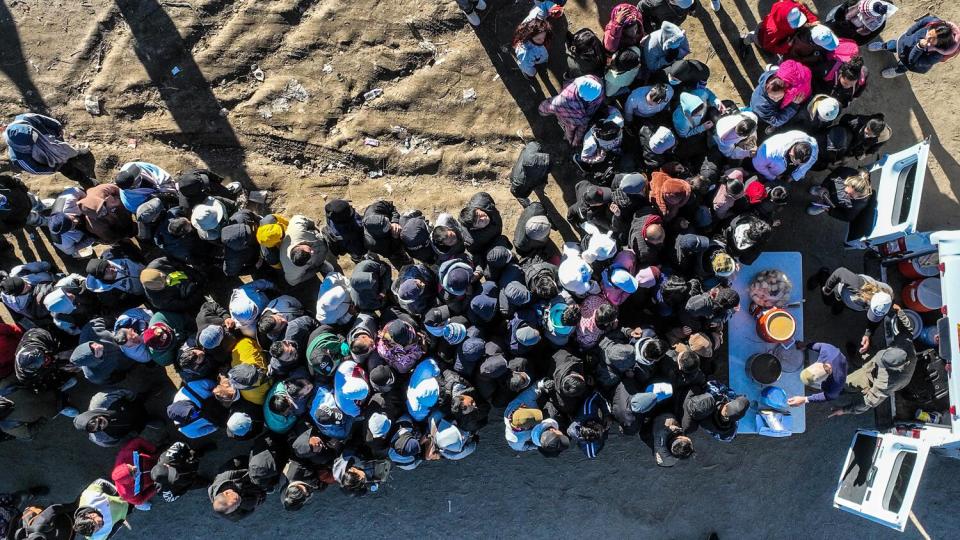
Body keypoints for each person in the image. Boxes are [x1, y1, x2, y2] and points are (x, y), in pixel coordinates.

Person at [830, 314, 916, 416]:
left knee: (849, 382)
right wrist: (898, 310)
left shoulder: (885, 383)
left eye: (881, 363)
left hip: (875, 378)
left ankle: (841, 390)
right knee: (868, 357)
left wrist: (844, 410)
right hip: (886, 364)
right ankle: (856, 358)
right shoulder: (905, 344)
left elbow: (868, 403)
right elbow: (908, 327)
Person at [3, 113, 94, 187]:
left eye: (35, 134)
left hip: (54, 140)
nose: (38, 139)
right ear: (23, 146)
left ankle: (75, 152)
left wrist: (58, 128)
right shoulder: (18, 158)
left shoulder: (25, 119)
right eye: (33, 141)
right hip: (52, 161)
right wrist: (53, 168)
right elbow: (36, 169)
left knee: (65, 148)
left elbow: (44, 119)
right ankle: (84, 180)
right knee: (68, 169)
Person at [867, 14, 959, 77]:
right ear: (932, 27)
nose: (927, 38)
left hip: (911, 60)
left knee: (903, 65)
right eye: (929, 34)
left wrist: (919, 47)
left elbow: (911, 61)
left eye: (932, 40)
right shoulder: (932, 21)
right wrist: (908, 34)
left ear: (940, 44)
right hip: (903, 43)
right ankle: (883, 46)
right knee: (892, 45)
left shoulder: (937, 55)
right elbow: (920, 24)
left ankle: (897, 71)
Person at [538, 75, 605, 146]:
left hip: (564, 116)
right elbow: (583, 124)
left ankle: (569, 138)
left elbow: (549, 105)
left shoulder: (566, 94)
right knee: (571, 128)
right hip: (575, 120)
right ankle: (572, 141)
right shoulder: (598, 90)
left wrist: (541, 111)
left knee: (569, 128)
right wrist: (576, 140)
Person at [73, 389, 149, 448]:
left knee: (141, 399)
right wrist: (135, 432)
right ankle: (148, 420)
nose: (101, 425)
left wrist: (133, 398)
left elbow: (122, 391)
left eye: (99, 421)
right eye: (98, 428)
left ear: (92, 415)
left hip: (134, 405)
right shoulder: (100, 440)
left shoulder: (101, 399)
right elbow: (121, 441)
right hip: (136, 426)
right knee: (147, 421)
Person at [750, 61, 812, 130]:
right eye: (773, 97)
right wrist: (793, 106)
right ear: (766, 88)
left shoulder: (772, 76)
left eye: (779, 97)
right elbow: (776, 121)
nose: (776, 99)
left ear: (785, 89)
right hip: (760, 114)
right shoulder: (762, 106)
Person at [742, 0, 818, 56]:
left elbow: (801, 7)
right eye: (795, 22)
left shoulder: (789, 6)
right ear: (785, 22)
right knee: (753, 37)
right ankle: (744, 41)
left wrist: (812, 20)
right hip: (761, 38)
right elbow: (769, 46)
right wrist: (786, 46)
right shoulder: (772, 31)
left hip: (772, 33)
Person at [788, 341, 849, 406]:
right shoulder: (828, 350)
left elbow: (828, 397)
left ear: (823, 381)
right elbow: (819, 346)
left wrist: (804, 399)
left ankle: (847, 390)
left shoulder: (834, 387)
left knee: (835, 390)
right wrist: (806, 345)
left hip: (842, 367)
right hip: (838, 357)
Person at [208, 455, 267, 521]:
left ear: (227, 493)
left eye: (236, 501)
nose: (238, 504)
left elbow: (252, 472)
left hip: (243, 466)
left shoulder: (228, 474)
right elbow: (249, 511)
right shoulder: (229, 512)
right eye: (235, 507)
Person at [806, 166, 872, 220]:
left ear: (859, 197)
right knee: (819, 190)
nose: (845, 196)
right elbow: (832, 175)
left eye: (851, 196)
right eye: (845, 191)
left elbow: (847, 217)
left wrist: (831, 211)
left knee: (811, 210)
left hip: (833, 204)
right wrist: (824, 186)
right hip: (829, 189)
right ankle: (820, 190)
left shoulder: (858, 205)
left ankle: (823, 206)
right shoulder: (846, 173)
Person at [752, 130, 818, 182]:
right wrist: (772, 177)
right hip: (772, 170)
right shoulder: (769, 152)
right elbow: (758, 165)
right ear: (791, 153)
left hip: (783, 167)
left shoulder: (812, 146)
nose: (795, 164)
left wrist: (794, 176)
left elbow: (810, 162)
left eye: (799, 164)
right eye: (795, 162)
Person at [825, 0, 897, 44]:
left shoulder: (857, 3)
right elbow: (860, 42)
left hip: (835, 26)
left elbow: (838, 13)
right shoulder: (880, 25)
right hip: (845, 36)